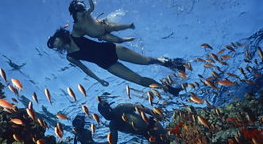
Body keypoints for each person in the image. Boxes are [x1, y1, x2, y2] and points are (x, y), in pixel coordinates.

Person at [47, 27, 184, 96]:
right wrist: (99, 80)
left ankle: (168, 62)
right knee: (139, 80)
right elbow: (85, 69)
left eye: (54, 41)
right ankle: (169, 89)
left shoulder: (75, 34)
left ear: (58, 36)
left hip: (112, 50)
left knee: (146, 61)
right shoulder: (70, 57)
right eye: (53, 46)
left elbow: (90, 25)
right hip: (108, 65)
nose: (55, 45)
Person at [97, 101, 169, 144]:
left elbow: (139, 108)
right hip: (147, 135)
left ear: (109, 108)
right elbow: (113, 143)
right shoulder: (113, 125)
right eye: (103, 114)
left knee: (170, 139)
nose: (105, 115)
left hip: (152, 124)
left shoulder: (121, 108)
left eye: (105, 112)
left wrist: (157, 115)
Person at [69, 0, 135, 43]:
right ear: (74, 13)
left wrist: (90, 0)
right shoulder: (77, 26)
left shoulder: (86, 14)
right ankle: (125, 39)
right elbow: (77, 34)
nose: (83, 12)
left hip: (103, 26)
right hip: (102, 36)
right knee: (118, 40)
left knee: (115, 27)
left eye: (83, 10)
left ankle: (129, 26)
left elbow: (91, 8)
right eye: (80, 11)